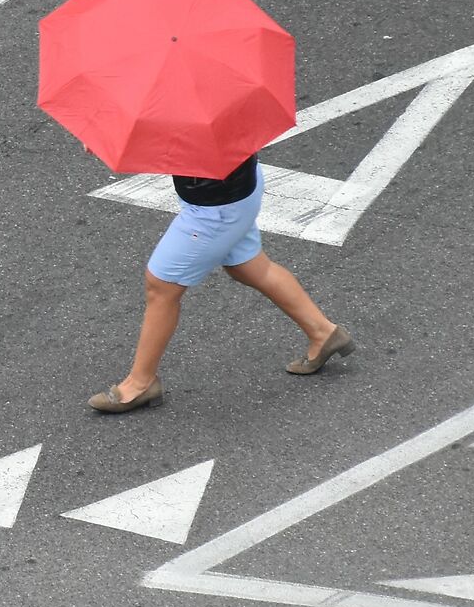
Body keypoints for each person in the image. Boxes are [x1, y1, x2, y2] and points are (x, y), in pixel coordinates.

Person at [89, 152, 351, 413]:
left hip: (214, 208)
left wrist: (116, 141)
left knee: (161, 286)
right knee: (249, 267)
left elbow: (172, 132)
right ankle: (323, 333)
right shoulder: (216, 112)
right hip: (239, 189)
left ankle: (140, 383)